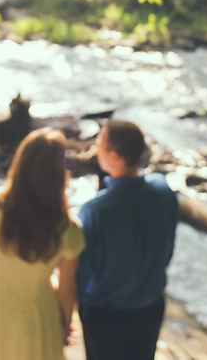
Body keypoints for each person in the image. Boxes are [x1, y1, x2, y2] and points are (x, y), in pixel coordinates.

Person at [0, 127, 85, 360]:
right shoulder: (67, 228)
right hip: (36, 313)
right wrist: (65, 324)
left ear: (21, 164)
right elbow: (68, 290)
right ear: (59, 173)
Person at [76, 119, 179, 360]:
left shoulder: (97, 210)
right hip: (150, 306)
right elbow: (168, 246)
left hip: (106, 315)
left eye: (99, 145)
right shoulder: (163, 190)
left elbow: (82, 271)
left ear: (115, 156)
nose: (94, 149)